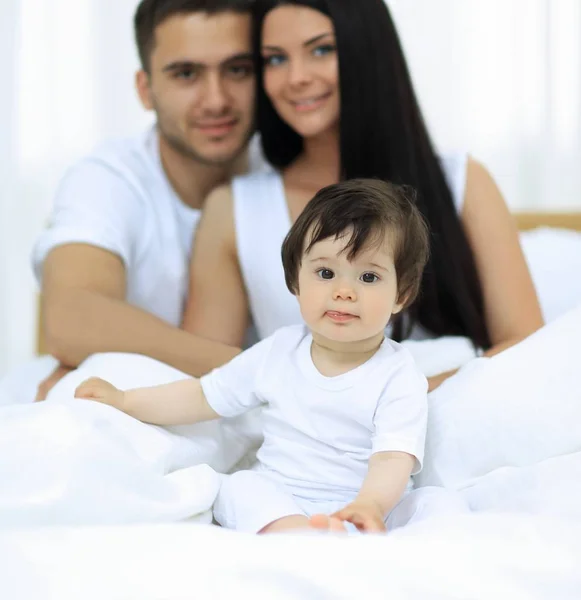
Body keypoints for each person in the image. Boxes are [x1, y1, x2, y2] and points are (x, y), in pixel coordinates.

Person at [182, 0, 544, 391]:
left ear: (368, 50)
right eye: (275, 59)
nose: (296, 77)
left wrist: (390, 404)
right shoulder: (233, 210)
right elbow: (209, 378)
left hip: (448, 419)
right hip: (317, 435)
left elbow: (526, 346)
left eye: (322, 50)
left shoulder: (462, 182)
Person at [75, 178, 435, 534]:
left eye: (368, 278)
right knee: (236, 487)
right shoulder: (277, 352)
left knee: (435, 503)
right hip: (284, 496)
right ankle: (294, 531)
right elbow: (203, 395)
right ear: (296, 281)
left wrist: (369, 506)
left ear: (401, 294)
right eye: (325, 273)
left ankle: (344, 533)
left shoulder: (398, 375)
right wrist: (125, 400)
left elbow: (393, 457)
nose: (343, 291)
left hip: (368, 507)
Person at [32, 0, 268, 400]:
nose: (216, 99)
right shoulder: (110, 178)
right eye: (186, 73)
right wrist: (257, 371)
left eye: (238, 70)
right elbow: (70, 318)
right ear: (146, 90)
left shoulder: (287, 172)